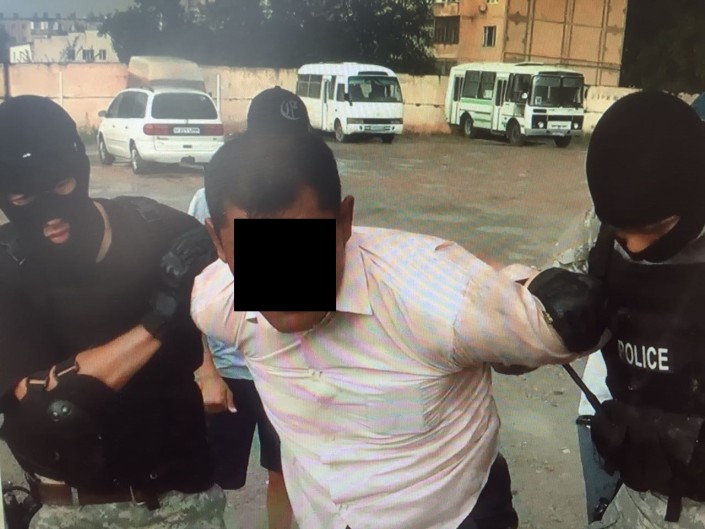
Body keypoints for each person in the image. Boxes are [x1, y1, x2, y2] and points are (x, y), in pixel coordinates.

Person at [189, 128, 607, 529]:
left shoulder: (437, 303)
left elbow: (566, 325)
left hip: (457, 518)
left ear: (345, 221)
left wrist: (526, 286)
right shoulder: (216, 303)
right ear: (218, 243)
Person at [0, 95, 225, 529]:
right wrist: (157, 321)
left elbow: (266, 309)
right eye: (23, 197)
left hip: (184, 499)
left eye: (62, 186)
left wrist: (207, 366)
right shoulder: (6, 270)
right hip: (73, 510)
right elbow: (52, 401)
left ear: (79, 170)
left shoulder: (160, 228)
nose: (50, 215)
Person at [579, 90, 705, 528]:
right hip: (636, 489)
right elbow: (534, 317)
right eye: (621, 233)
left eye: (652, 230)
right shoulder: (604, 226)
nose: (632, 247)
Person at [190, 85, 307, 529]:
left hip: (284, 370)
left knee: (286, 472)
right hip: (229, 370)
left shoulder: (311, 196)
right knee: (210, 477)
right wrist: (207, 371)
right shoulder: (212, 199)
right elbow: (189, 290)